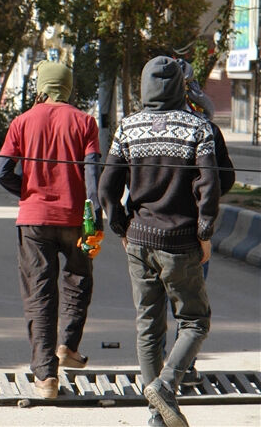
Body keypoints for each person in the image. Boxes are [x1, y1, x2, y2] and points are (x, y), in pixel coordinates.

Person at [99, 56, 220, 427]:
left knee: (148, 325)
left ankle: (155, 414)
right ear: (179, 87)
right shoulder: (199, 128)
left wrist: (120, 227)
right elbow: (210, 185)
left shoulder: (128, 128)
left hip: (138, 240)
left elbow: (107, 186)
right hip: (181, 242)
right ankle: (166, 386)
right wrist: (205, 233)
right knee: (195, 321)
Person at [0, 61, 102, 399]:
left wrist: (27, 192)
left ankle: (46, 378)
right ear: (68, 87)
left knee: (39, 294)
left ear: (42, 85)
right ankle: (68, 346)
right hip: (74, 219)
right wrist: (94, 215)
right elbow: (93, 173)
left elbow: (1, 171)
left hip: (34, 221)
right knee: (78, 281)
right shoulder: (85, 122)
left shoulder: (22, 121)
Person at [163, 59, 236, 387]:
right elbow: (226, 179)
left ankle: (157, 372)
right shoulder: (204, 126)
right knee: (190, 305)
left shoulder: (139, 124)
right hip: (191, 229)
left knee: (154, 306)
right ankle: (181, 370)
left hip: (148, 230)